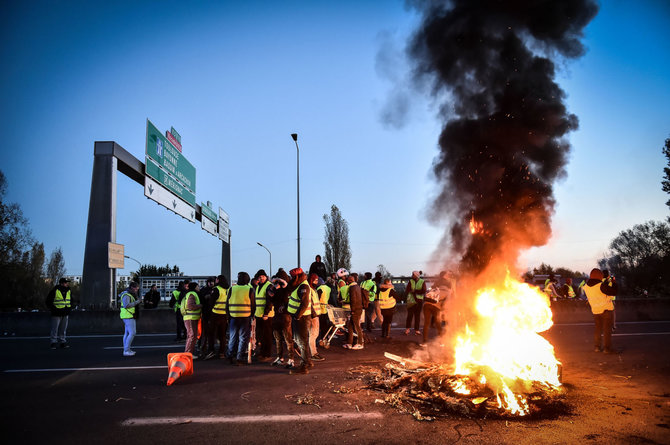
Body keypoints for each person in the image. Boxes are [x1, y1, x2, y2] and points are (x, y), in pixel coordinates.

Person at [582, 268, 617, 354]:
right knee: (606, 330)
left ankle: (597, 347)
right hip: (606, 310)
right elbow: (614, 292)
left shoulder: (586, 287)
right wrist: (613, 282)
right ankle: (607, 349)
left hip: (595, 311)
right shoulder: (601, 285)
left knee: (598, 329)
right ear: (599, 276)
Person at [287, 267, 313, 374]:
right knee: (302, 341)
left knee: (302, 342)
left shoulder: (303, 286)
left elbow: (304, 303)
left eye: (292, 277)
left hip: (301, 318)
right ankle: (308, 362)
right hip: (299, 317)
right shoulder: (300, 285)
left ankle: (304, 367)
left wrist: (297, 316)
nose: (291, 279)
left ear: (297, 277)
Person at [226, 272, 256, 365]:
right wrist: (252, 315)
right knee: (243, 338)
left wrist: (228, 315)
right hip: (245, 317)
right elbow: (253, 304)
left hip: (233, 317)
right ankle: (239, 357)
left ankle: (230, 356)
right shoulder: (250, 289)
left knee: (232, 337)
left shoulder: (232, 288)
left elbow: (227, 303)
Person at [270, 269, 294, 368]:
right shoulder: (276, 289)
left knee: (288, 339)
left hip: (285, 317)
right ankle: (280, 358)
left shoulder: (288, 290)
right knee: (278, 339)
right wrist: (273, 291)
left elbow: (289, 301)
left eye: (280, 281)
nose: (278, 283)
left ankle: (291, 360)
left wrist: (284, 287)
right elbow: (272, 300)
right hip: (276, 316)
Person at [254, 269, 275, 362]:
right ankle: (262, 352)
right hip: (259, 314)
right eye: (259, 277)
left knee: (267, 336)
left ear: (266, 277)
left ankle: (267, 354)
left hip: (267, 316)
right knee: (261, 336)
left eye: (262, 276)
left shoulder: (268, 286)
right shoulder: (259, 286)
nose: (261, 278)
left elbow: (269, 301)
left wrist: (266, 313)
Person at [46, 277, 72, 349]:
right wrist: (53, 309)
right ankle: (53, 342)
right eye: (66, 283)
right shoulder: (55, 290)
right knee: (55, 329)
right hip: (56, 313)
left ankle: (62, 342)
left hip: (65, 313)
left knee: (63, 329)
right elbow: (48, 301)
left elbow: (71, 300)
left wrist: (69, 308)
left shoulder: (68, 290)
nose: (67, 284)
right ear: (62, 283)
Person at [207, 275, 230, 359]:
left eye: (216, 279)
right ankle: (222, 352)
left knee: (212, 334)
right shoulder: (227, 290)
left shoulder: (216, 289)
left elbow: (211, 303)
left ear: (218, 280)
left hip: (215, 314)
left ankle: (211, 351)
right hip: (224, 315)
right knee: (222, 335)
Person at [343, 273, 366, 350]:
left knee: (356, 326)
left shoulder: (352, 288)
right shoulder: (357, 287)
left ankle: (360, 343)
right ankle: (350, 343)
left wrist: (352, 310)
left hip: (355, 309)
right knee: (350, 326)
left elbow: (353, 299)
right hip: (359, 308)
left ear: (349, 281)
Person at [119, 281, 142, 356]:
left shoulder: (128, 294)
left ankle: (126, 349)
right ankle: (126, 350)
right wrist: (137, 302)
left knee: (127, 333)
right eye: (136, 289)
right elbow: (126, 305)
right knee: (132, 333)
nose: (137, 290)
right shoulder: (127, 295)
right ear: (132, 287)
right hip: (129, 315)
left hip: (127, 315)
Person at [308, 273, 325, 362]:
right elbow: (309, 303)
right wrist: (314, 314)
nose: (317, 282)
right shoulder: (310, 290)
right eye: (315, 280)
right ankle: (313, 353)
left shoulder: (314, 290)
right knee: (313, 334)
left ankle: (313, 352)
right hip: (313, 316)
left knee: (314, 334)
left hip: (315, 315)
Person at [197, 277, 216, 358]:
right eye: (209, 282)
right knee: (204, 333)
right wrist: (207, 297)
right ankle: (202, 349)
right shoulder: (204, 290)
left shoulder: (216, 290)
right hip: (206, 313)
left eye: (212, 282)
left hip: (213, 313)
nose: (211, 283)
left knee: (212, 333)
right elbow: (201, 299)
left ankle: (210, 349)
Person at [182, 282, 202, 356]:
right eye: (197, 286)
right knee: (192, 336)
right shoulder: (192, 294)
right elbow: (191, 306)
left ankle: (189, 353)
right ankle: (188, 354)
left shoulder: (190, 294)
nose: (198, 288)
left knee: (191, 336)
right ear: (194, 287)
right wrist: (201, 305)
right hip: (190, 318)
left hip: (191, 318)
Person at [404, 271, 426, 336]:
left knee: (417, 316)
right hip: (411, 301)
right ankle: (407, 329)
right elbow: (407, 290)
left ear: (416, 276)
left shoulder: (422, 281)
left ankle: (417, 330)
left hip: (419, 301)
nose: (412, 276)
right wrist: (413, 292)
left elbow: (424, 291)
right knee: (409, 316)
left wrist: (414, 291)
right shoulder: (410, 281)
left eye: (413, 275)